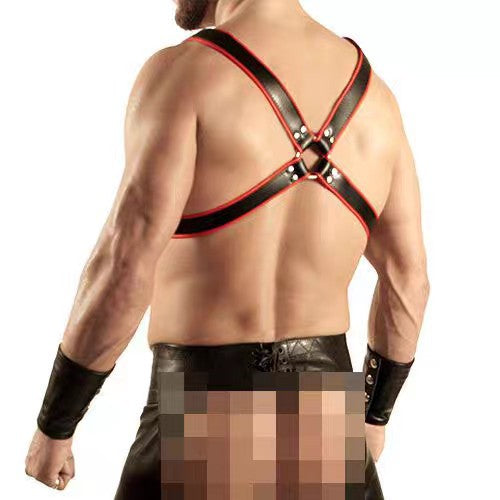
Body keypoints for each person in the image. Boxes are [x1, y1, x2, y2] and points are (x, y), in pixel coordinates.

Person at [24, 0, 430, 499]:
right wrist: (372, 416)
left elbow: (124, 264)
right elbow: (409, 279)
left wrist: (56, 423)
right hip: (325, 424)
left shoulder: (186, 75)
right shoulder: (376, 100)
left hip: (201, 419)